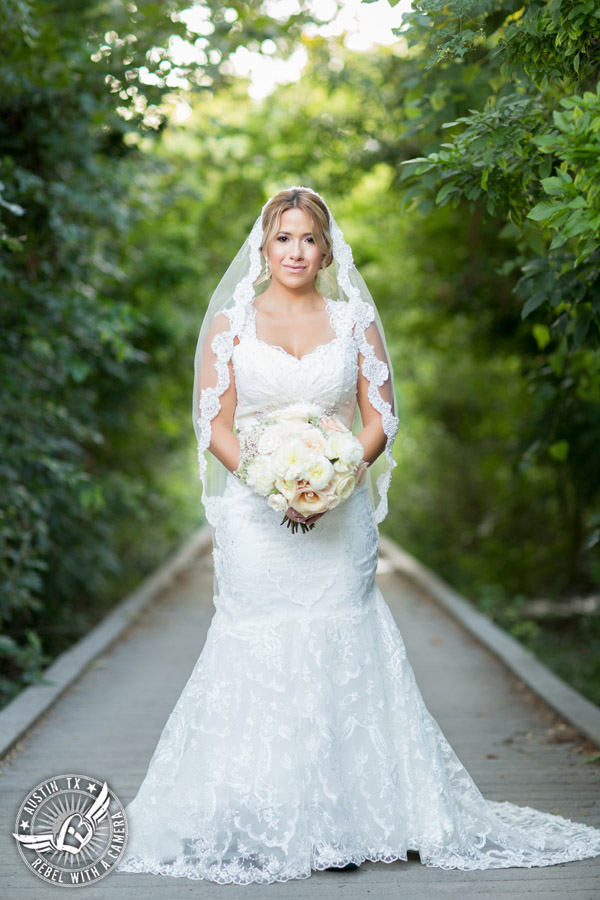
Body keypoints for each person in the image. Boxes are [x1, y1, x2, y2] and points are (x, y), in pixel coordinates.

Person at [116, 186, 600, 884]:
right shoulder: (230, 324)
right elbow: (214, 425)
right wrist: (271, 482)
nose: (296, 251)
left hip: (338, 519)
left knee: (345, 633)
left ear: (327, 247)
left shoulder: (353, 320)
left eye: (309, 239)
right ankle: (261, 815)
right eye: (283, 238)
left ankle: (354, 821)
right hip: (259, 519)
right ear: (263, 244)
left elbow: (381, 416)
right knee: (260, 640)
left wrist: (337, 478)